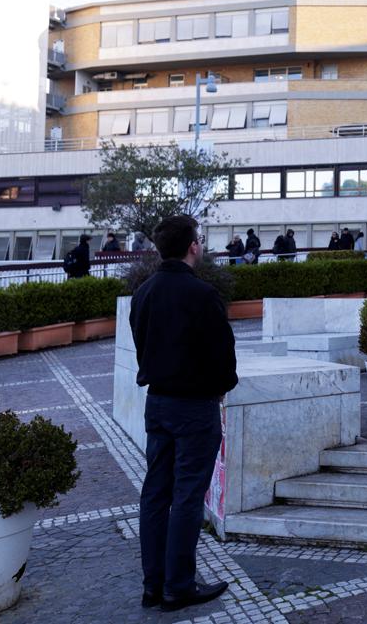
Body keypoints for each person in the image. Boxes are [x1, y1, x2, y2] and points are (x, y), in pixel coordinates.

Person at [130, 215, 237, 613]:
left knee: (155, 494)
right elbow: (224, 358)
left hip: (157, 403)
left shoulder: (144, 293)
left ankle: (153, 586)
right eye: (201, 240)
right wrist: (220, 386)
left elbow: (142, 346)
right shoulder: (201, 294)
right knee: (188, 496)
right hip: (194, 407)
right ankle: (178, 585)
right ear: (193, 245)